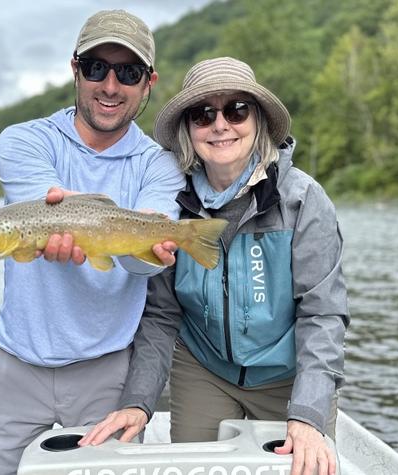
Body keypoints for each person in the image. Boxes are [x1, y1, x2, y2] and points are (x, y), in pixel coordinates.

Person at [81, 57, 350, 475]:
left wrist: (309, 414)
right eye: (204, 115)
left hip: (287, 372)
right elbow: (160, 315)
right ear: (189, 131)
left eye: (236, 110)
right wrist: (138, 402)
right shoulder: (171, 204)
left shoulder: (304, 200)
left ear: (257, 120)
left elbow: (322, 314)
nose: (220, 125)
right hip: (202, 366)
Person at [0, 10, 186, 475]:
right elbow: (37, 218)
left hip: (107, 373)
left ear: (149, 82)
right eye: (96, 68)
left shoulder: (160, 165)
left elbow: (144, 267)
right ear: (74, 69)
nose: (110, 85)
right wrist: (84, 219)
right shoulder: (23, 141)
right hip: (15, 367)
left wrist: (153, 248)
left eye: (128, 72)